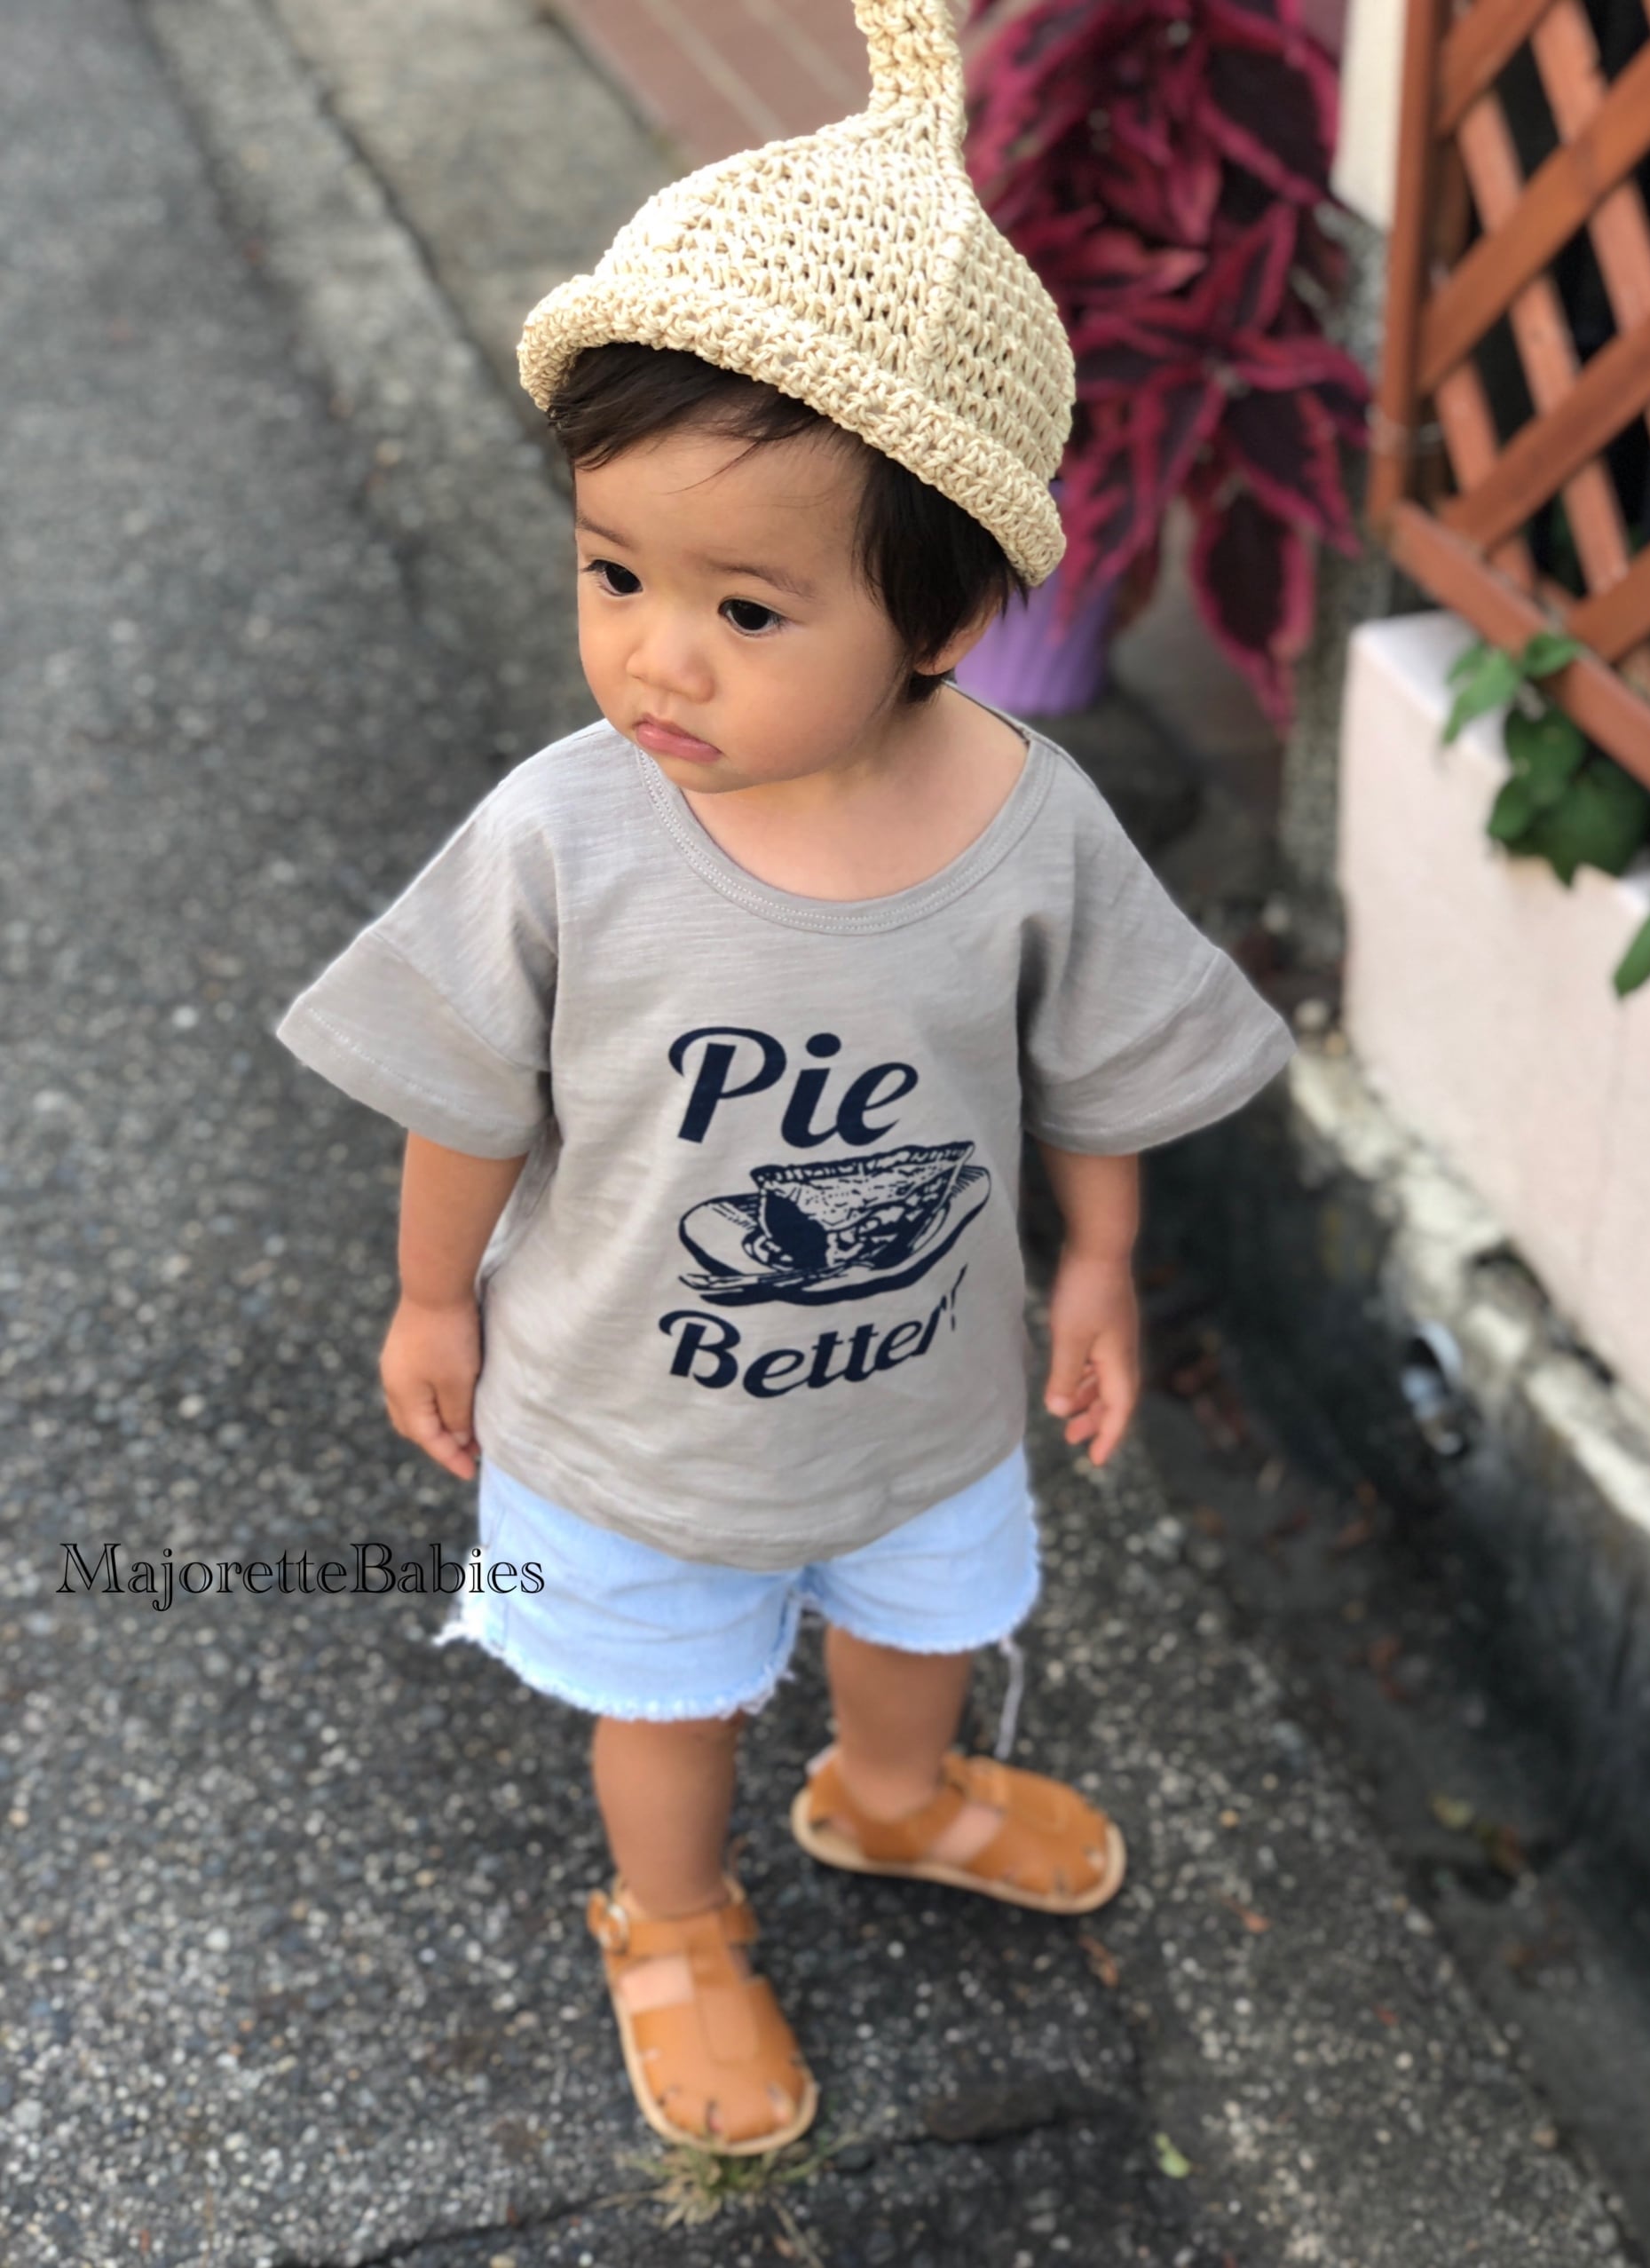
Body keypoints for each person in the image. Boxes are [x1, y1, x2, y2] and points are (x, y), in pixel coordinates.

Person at [275, 0, 1295, 2157]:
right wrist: (435, 1297)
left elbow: (1099, 1057)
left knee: (921, 1618)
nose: (655, 652)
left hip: (918, 1392)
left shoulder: (1023, 820)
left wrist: (1095, 1267)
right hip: (631, 1414)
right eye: (612, 573)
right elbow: (465, 1086)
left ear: (944, 618)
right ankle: (667, 1920)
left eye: (746, 611)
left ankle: (892, 1789)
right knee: (665, 1692)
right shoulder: (566, 834)